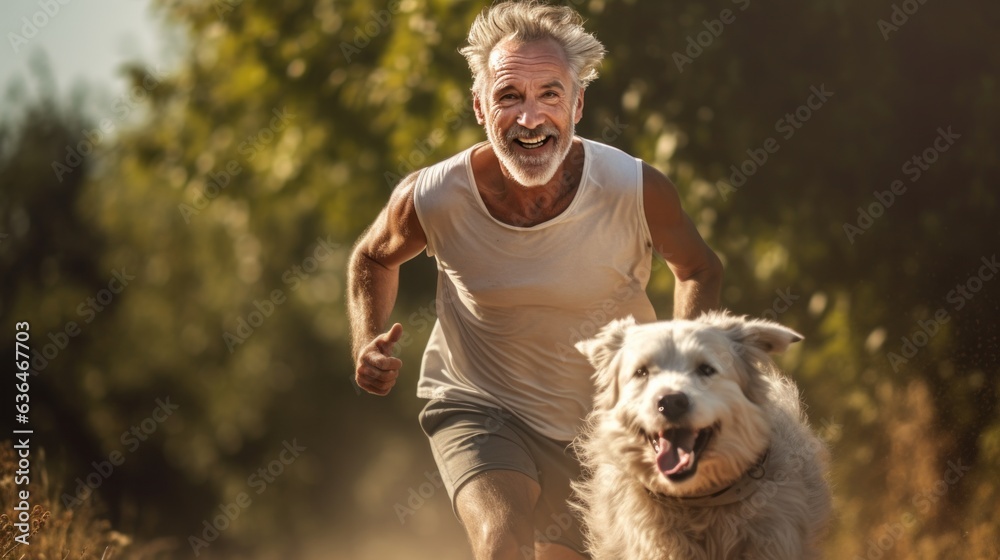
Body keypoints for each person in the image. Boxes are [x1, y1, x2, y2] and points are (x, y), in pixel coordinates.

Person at [347, 2, 723, 559]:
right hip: (479, 403)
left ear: (577, 103)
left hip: (604, 424)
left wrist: (682, 375)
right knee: (503, 544)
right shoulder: (432, 196)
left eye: (549, 94)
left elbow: (699, 268)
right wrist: (365, 341)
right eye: (508, 96)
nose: (530, 118)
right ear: (479, 107)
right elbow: (373, 258)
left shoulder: (633, 188)